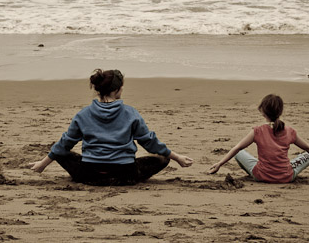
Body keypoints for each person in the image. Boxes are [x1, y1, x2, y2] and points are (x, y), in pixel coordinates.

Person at [29, 69, 193, 185]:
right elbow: (149, 142)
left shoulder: (83, 114)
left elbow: (65, 144)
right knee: (162, 159)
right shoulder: (131, 113)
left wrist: (42, 165)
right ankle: (124, 177)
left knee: (60, 152)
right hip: (125, 175)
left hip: (88, 175)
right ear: (117, 90)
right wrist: (177, 157)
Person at [208, 94, 309, 183]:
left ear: (263, 112)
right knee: (308, 156)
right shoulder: (290, 131)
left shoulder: (257, 131)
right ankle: (282, 168)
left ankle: (264, 168)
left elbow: (237, 148)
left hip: (262, 175)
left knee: (239, 153)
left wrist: (220, 164)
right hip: (286, 177)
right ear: (280, 112)